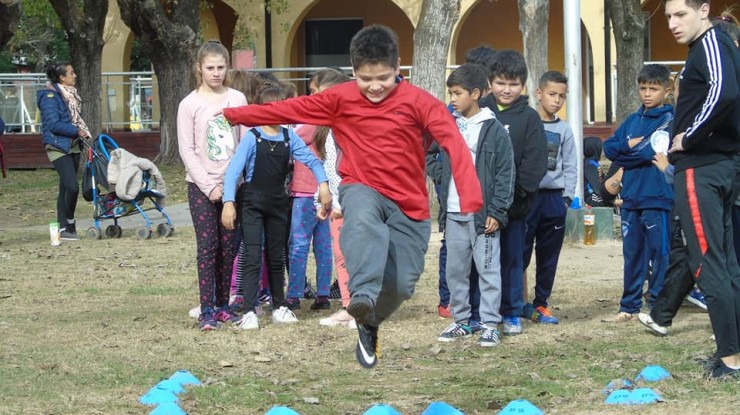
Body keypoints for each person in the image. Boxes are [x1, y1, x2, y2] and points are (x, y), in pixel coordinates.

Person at [221, 25, 482, 368]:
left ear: (399, 67)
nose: (374, 87)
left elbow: (452, 143)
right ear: (353, 70)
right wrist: (235, 115)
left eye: (384, 78)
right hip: (360, 184)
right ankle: (360, 296)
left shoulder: (420, 102)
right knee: (361, 222)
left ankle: (369, 320)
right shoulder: (340, 97)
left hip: (409, 201)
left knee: (404, 283)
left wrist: (470, 195)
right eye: (365, 79)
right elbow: (288, 110)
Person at [654, 0, 740, 379]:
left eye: (680, 14)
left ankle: (730, 360)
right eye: (669, 17)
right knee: (725, 262)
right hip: (713, 166)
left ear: (703, 10)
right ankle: (734, 353)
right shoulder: (706, 48)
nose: (673, 23)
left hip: (702, 168)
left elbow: (724, 94)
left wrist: (688, 138)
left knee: (706, 261)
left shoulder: (711, 44)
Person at [221, 84, 331, 330]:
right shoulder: (252, 137)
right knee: (252, 255)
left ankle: (280, 306)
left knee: (276, 255)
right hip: (252, 203)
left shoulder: (289, 137)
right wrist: (229, 202)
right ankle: (249, 310)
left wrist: (323, 184)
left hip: (278, 204)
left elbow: (312, 161)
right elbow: (233, 173)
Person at [431, 63, 514, 347]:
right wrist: (441, 174)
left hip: (483, 216)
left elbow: (506, 173)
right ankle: (461, 321)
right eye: (450, 93)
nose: (452, 99)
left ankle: (490, 323)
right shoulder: (446, 125)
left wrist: (497, 211)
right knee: (455, 270)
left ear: (475, 93)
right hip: (454, 213)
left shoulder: (494, 130)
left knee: (488, 269)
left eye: (457, 93)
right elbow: (430, 153)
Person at [177, 40, 247, 331]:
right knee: (208, 247)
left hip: (234, 187)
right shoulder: (189, 104)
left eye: (221, 67)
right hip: (201, 187)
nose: (216, 73)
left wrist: (232, 185)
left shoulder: (238, 99)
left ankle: (222, 306)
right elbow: (187, 149)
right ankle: (207, 309)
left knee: (229, 247)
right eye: (210, 68)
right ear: (199, 69)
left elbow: (245, 143)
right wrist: (209, 188)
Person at [479, 49, 548, 336]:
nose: (507, 90)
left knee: (512, 258)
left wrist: (512, 197)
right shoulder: (478, 111)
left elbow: (535, 164)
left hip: (515, 209)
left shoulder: (530, 118)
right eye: (501, 83)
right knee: (481, 262)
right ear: (490, 82)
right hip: (479, 208)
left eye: (514, 84)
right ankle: (478, 312)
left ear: (523, 85)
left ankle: (511, 311)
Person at [602, 64, 674, 322]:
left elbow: (648, 153)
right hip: (630, 198)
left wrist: (626, 155)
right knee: (632, 254)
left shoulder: (670, 120)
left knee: (661, 253)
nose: (647, 94)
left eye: (653, 89)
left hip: (657, 197)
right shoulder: (632, 120)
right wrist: (627, 146)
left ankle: (657, 304)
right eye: (643, 88)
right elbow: (609, 148)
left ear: (667, 90)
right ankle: (628, 307)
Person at [521, 70, 578, 324]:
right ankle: (514, 303)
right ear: (539, 93)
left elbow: (571, 166)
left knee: (548, 256)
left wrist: (566, 199)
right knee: (519, 252)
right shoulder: (526, 122)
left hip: (554, 201)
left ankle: (541, 303)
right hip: (527, 199)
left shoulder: (564, 130)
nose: (557, 100)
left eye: (562, 96)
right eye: (552, 94)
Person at [37, 62, 92, 241]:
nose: (75, 75)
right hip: (57, 145)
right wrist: (76, 130)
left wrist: (78, 133)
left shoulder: (71, 96)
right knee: (72, 187)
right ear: (61, 77)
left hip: (73, 145)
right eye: (71, 72)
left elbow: (73, 118)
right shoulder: (50, 96)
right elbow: (52, 124)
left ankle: (64, 228)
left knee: (65, 189)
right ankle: (69, 222)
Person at [285, 123, 332, 311]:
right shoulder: (332, 125)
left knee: (298, 244)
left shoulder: (309, 125)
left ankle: (294, 295)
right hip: (327, 192)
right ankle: (323, 294)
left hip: (305, 193)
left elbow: (289, 140)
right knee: (324, 246)